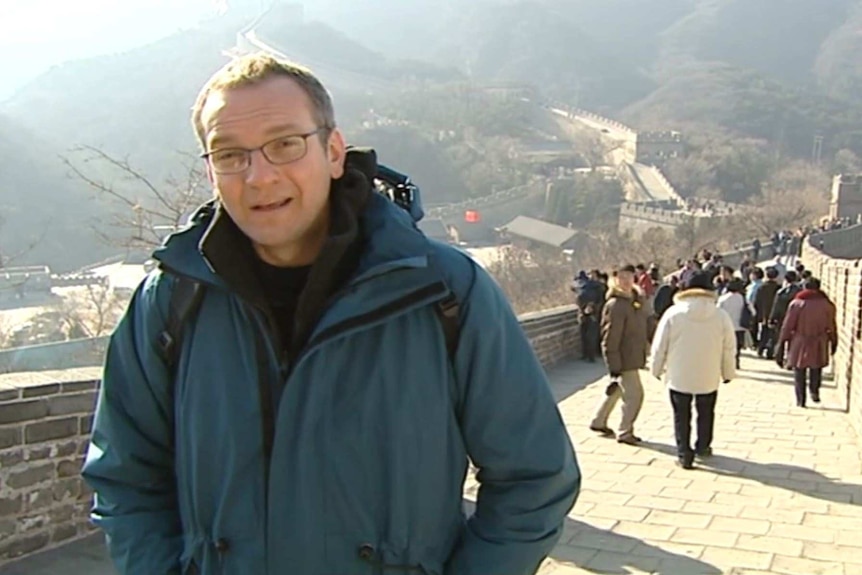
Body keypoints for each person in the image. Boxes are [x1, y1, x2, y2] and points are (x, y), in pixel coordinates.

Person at [81, 53, 580, 575]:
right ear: (210, 171)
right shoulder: (171, 300)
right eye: (230, 155)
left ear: (334, 151)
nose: (258, 176)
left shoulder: (440, 290)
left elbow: (535, 477)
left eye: (284, 145)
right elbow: (125, 478)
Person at [649, 272, 736, 469]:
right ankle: (703, 446)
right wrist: (728, 372)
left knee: (682, 415)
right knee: (706, 412)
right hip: (708, 375)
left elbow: (659, 345)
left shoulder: (673, 313)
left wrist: (656, 368)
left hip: (679, 375)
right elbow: (729, 347)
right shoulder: (720, 315)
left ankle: (684, 454)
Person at [590, 264, 650, 445]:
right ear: (614, 280)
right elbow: (609, 338)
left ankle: (598, 421)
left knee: (616, 389)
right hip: (623, 358)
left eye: (629, 276)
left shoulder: (637, 300)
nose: (625, 281)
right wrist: (614, 366)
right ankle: (625, 431)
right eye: (621, 277)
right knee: (635, 395)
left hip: (634, 354)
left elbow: (648, 323)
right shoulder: (615, 304)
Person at [778, 278, 838, 407]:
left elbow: (788, 326)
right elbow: (831, 325)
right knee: (816, 367)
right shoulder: (827, 305)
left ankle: (801, 399)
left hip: (800, 340)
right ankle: (814, 390)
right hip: (819, 339)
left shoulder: (797, 303)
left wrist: (782, 343)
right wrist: (833, 340)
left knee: (799, 370)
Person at [717, 279, 751, 369]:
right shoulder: (743, 299)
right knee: (737, 346)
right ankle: (736, 362)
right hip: (740, 326)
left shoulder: (723, 298)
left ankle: (725, 363)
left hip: (725, 326)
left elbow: (717, 312)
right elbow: (753, 311)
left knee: (725, 346)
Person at [754, 267, 781, 358]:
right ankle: (770, 352)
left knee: (763, 333)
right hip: (774, 315)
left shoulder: (762, 287)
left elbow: (757, 301)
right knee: (773, 335)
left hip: (764, 314)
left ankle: (760, 350)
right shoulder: (778, 288)